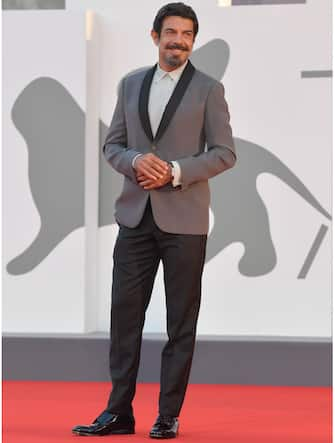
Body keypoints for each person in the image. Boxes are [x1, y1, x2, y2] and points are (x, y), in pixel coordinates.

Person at [72, 2, 236, 439]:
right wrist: (136, 160)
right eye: (171, 32)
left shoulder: (209, 88)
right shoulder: (130, 85)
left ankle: (168, 415)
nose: (178, 40)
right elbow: (113, 145)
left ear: (193, 41)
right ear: (155, 36)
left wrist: (176, 171)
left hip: (185, 222)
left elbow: (225, 152)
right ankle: (118, 412)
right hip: (134, 218)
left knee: (181, 321)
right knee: (125, 317)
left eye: (186, 34)